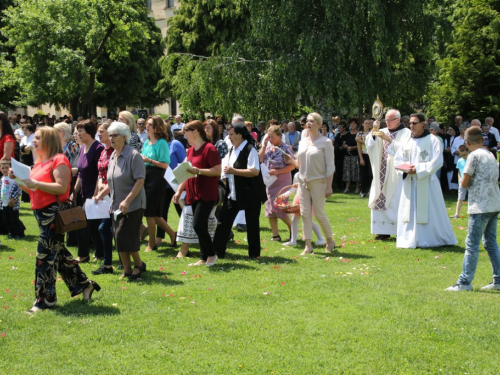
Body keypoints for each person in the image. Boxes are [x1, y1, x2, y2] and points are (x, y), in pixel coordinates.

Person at [12, 126, 100, 313]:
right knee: (58, 255)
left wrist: (35, 183)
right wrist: (20, 181)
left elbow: (61, 188)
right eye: (33, 138)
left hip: (53, 214)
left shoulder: (59, 160)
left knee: (44, 257)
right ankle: (84, 285)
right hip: (40, 214)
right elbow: (34, 190)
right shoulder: (39, 162)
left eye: (37, 138)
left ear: (49, 140)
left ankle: (44, 300)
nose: (33, 141)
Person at [446, 127, 500, 291]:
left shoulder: (473, 157)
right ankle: (498, 280)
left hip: (479, 207)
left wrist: (464, 179)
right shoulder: (490, 155)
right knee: (491, 243)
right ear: (483, 140)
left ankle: (464, 282)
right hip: (494, 204)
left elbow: (464, 182)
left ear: (467, 143)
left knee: (472, 244)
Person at [394, 113, 457, 249]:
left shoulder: (433, 140)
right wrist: (404, 169)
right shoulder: (406, 141)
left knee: (429, 210)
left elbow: (437, 161)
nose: (411, 126)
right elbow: (398, 160)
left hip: (426, 182)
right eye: (410, 123)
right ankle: (409, 238)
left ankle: (431, 238)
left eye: (414, 123)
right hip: (409, 182)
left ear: (423, 124)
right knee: (408, 211)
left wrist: (419, 169)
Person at [213, 117, 266, 259]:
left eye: (231, 134)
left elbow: (254, 171)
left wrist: (233, 171)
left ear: (240, 135)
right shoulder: (231, 150)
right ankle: (218, 252)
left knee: (252, 225)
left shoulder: (250, 149)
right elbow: (228, 170)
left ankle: (254, 255)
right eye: (228, 134)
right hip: (233, 194)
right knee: (223, 222)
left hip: (251, 193)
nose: (228, 137)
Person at [173, 121, 221, 266]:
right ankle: (203, 257)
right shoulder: (190, 150)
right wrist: (179, 190)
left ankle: (212, 255)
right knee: (201, 226)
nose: (185, 136)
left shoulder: (209, 148)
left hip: (206, 193)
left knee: (198, 225)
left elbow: (217, 170)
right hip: (193, 192)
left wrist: (198, 171)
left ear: (195, 131)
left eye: (186, 132)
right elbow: (186, 173)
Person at [287, 113, 336, 255]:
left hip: (319, 182)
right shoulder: (302, 142)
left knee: (319, 214)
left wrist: (328, 186)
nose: (308, 123)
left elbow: (330, 167)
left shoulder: (326, 142)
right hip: (303, 182)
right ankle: (308, 246)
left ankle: (329, 240)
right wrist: (291, 160)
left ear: (319, 125)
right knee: (305, 213)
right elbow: (300, 165)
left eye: (312, 121)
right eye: (307, 121)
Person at [106, 122, 147, 280]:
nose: (111, 138)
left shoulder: (133, 155)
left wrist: (127, 201)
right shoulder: (112, 155)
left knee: (125, 236)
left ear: (124, 137)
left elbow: (140, 180)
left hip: (133, 204)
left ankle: (138, 265)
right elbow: (111, 181)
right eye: (110, 135)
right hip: (116, 205)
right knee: (118, 237)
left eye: (114, 135)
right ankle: (127, 269)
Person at [365, 109, 412, 241]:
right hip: (381, 170)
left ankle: (398, 230)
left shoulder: (406, 133)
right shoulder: (383, 131)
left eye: (390, 120)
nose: (387, 122)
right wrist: (373, 133)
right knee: (379, 197)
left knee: (395, 200)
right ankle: (382, 231)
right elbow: (369, 145)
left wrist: (389, 140)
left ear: (398, 120)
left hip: (396, 174)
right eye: (386, 120)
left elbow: (406, 151)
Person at [141, 116, 176, 252]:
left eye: (149, 124)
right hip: (146, 177)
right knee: (155, 214)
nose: (146, 127)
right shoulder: (146, 142)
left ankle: (151, 244)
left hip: (157, 178)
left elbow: (165, 164)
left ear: (156, 127)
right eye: (146, 124)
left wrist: (149, 159)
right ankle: (172, 234)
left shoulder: (162, 143)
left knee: (150, 213)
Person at [74, 120, 105, 263]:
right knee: (84, 224)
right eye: (77, 130)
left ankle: (92, 254)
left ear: (89, 132)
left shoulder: (98, 148)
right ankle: (90, 254)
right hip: (83, 193)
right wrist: (74, 191)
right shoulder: (82, 148)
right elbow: (81, 172)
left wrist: (95, 194)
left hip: (96, 194)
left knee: (92, 226)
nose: (78, 134)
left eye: (81, 130)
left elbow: (101, 173)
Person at [258, 125, 294, 241]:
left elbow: (292, 166)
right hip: (270, 181)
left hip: (282, 180)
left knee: (280, 208)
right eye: (268, 137)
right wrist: (263, 146)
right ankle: (275, 235)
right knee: (270, 209)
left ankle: (292, 231)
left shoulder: (285, 148)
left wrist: (278, 171)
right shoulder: (268, 147)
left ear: (279, 136)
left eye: (272, 137)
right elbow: (259, 159)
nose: (270, 139)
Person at [90, 122, 114, 275]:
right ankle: (108, 262)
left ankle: (109, 263)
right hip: (103, 193)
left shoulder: (114, 152)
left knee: (105, 227)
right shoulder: (104, 151)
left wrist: (102, 192)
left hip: (112, 193)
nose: (99, 134)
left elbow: (113, 178)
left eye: (102, 131)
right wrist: (97, 190)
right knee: (105, 227)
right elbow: (100, 174)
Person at [156, 122, 184, 249]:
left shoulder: (175, 144)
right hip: (163, 184)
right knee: (162, 212)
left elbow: (184, 163)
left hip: (176, 184)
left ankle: (187, 236)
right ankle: (159, 237)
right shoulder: (158, 145)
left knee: (182, 210)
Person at [0, 160, 25, 239]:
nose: (5, 170)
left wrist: (13, 199)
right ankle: (12, 232)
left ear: (10, 168)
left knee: (14, 219)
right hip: (4, 203)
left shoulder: (14, 179)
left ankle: (18, 233)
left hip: (13, 204)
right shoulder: (2, 179)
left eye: (7, 168)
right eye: (3, 168)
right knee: (6, 219)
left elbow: (18, 190)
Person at [342, 118, 361, 193]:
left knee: (356, 171)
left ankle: (357, 188)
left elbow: (361, 145)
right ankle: (347, 188)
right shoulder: (347, 134)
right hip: (347, 156)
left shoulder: (359, 134)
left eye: (354, 123)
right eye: (351, 123)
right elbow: (343, 144)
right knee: (347, 172)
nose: (352, 125)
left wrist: (353, 148)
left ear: (356, 125)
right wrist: (346, 147)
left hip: (356, 155)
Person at [450, 145, 469, 219]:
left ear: (467, 151)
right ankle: (456, 214)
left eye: (464, 155)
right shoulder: (459, 160)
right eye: (461, 155)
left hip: (471, 181)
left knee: (472, 197)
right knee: (460, 198)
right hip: (462, 181)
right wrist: (459, 179)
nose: (463, 156)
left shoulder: (471, 159)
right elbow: (458, 171)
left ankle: (473, 213)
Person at [444, 125, 464, 191]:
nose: (449, 131)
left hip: (463, 157)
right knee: (454, 173)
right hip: (453, 157)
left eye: (451, 130)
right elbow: (453, 147)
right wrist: (454, 152)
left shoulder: (466, 138)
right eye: (448, 130)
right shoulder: (455, 138)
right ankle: (453, 188)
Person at [356, 118, 373, 198]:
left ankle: (371, 190)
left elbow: (371, 145)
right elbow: (359, 147)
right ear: (362, 124)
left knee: (371, 174)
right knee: (363, 174)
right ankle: (363, 191)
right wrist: (361, 158)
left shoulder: (373, 133)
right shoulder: (359, 134)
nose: (367, 125)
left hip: (371, 155)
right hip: (363, 155)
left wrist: (361, 141)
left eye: (369, 123)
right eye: (366, 123)